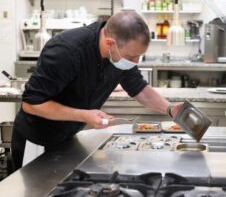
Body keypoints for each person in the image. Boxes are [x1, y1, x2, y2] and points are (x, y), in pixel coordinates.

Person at [11, 11, 183, 171]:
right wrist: (84, 115)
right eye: (132, 56)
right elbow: (32, 104)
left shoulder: (118, 54)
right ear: (110, 43)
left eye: (139, 56)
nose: (135, 61)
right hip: (36, 140)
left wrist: (170, 109)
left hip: (67, 136)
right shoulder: (66, 51)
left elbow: (139, 88)